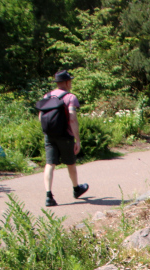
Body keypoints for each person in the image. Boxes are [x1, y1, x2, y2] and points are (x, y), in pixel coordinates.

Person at [39, 70, 88, 207]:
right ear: (66, 82)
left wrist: (47, 132)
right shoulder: (70, 97)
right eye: (70, 81)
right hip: (65, 135)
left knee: (50, 164)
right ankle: (76, 189)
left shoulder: (47, 96)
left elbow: (40, 117)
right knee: (70, 162)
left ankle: (49, 196)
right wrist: (77, 139)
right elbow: (72, 118)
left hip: (49, 135)